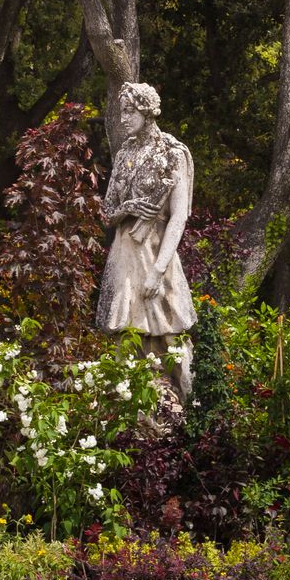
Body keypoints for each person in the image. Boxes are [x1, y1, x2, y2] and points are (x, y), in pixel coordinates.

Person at [96, 82, 196, 398]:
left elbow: (178, 217)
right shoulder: (125, 153)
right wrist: (127, 208)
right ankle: (132, 411)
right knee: (127, 335)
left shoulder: (173, 153)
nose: (123, 118)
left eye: (129, 111)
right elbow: (107, 212)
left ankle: (182, 407)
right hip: (125, 252)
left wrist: (158, 269)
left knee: (169, 334)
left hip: (156, 253)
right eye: (121, 112)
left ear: (147, 111)